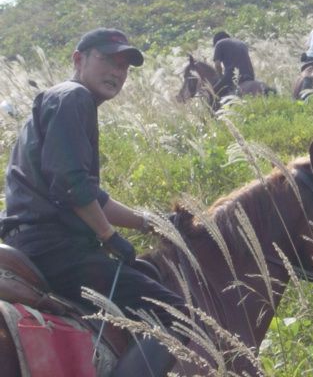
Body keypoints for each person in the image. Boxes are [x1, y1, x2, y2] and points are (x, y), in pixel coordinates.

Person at [1, 28, 186, 376]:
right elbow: (72, 185)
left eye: (124, 66)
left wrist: (150, 222)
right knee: (177, 316)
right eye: (107, 60)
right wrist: (108, 236)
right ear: (78, 59)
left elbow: (91, 195)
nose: (117, 72)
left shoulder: (59, 100)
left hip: (31, 240)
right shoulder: (75, 97)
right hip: (56, 249)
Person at [211, 31, 255, 98]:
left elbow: (217, 65)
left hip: (232, 75)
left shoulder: (219, 43)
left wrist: (220, 76)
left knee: (212, 92)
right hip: (250, 75)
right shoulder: (242, 43)